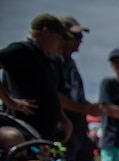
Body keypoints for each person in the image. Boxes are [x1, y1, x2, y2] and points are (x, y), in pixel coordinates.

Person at [0, 13, 73, 142]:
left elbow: (51, 95)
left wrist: (64, 119)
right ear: (46, 32)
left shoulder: (48, 61)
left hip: (44, 138)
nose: (61, 43)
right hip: (23, 135)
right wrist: (9, 101)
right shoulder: (23, 51)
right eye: (59, 37)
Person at [56, 15, 102, 161]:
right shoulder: (54, 62)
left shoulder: (71, 63)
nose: (80, 40)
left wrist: (91, 108)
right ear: (62, 36)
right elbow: (55, 97)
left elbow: (75, 97)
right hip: (64, 129)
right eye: (76, 36)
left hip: (80, 129)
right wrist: (84, 108)